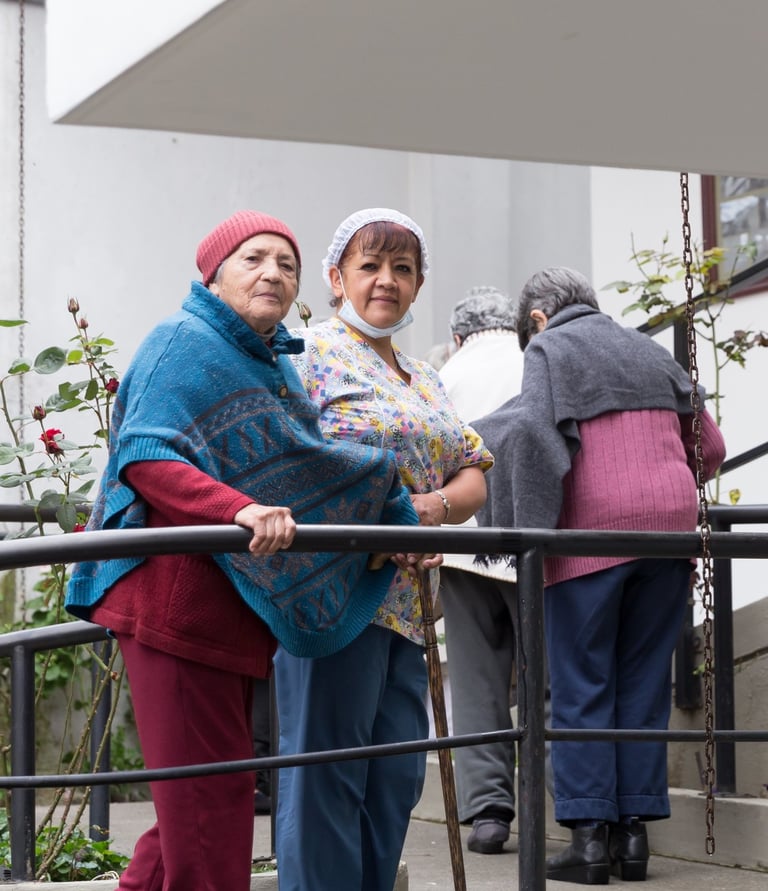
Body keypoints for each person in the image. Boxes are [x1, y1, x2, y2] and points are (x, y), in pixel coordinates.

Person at [65, 210, 423, 891]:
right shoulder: (182, 340)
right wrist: (236, 508)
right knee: (212, 812)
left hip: (228, 615)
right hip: (174, 608)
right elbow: (146, 454)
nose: (273, 274)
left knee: (196, 810)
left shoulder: (274, 366)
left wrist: (393, 521)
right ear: (214, 274)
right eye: (254, 258)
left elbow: (311, 464)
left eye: (286, 265)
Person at [472, 267, 726, 885]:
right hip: (670, 533)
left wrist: (527, 525)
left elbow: (536, 437)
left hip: (589, 534)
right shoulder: (649, 349)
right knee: (642, 683)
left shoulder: (550, 349)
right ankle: (632, 839)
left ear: (537, 319)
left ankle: (588, 840)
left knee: (581, 683)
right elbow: (712, 450)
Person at [274, 208, 493, 891]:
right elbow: (287, 461)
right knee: (326, 774)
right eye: (369, 266)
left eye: (403, 268)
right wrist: (387, 515)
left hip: (410, 607)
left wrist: (432, 509)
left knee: (395, 777)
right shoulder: (305, 354)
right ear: (335, 278)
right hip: (334, 596)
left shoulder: (424, 376)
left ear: (419, 284)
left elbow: (473, 471)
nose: (386, 281)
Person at [436, 286, 525, 854]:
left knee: (474, 677)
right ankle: (566, 800)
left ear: (458, 336)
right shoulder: (533, 360)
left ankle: (489, 812)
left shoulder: (444, 375)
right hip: (534, 539)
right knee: (545, 672)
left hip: (463, 541)